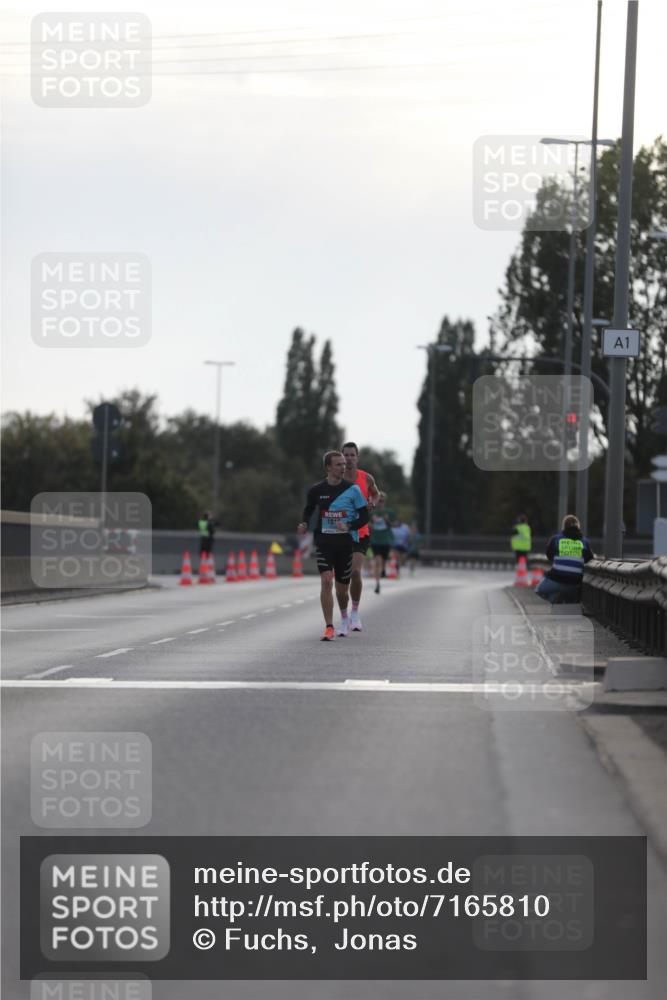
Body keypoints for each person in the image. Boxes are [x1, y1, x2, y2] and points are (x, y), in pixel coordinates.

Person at [298, 450, 369, 640]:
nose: (343, 467)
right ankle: (329, 627)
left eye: (344, 464)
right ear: (328, 467)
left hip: (345, 544)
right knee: (326, 580)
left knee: (342, 590)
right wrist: (304, 523)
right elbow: (309, 509)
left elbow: (364, 516)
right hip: (324, 542)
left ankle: (345, 616)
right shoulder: (316, 490)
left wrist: (349, 525)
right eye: (338, 464)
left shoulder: (352, 489)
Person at [341, 441, 380, 632]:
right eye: (345, 455)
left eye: (351, 455)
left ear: (357, 457)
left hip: (360, 532)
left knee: (355, 572)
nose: (348, 458)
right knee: (342, 577)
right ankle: (342, 616)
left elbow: (376, 493)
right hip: (339, 533)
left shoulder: (366, 478)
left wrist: (372, 503)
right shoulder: (335, 479)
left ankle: (354, 612)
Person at [535, 514, 594, 605]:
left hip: (556, 580)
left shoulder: (556, 539)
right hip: (575, 584)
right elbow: (589, 559)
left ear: (564, 526)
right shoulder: (584, 541)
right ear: (578, 526)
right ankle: (569, 602)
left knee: (539, 590)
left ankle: (555, 599)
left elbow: (549, 555)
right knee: (572, 598)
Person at [369, 493, 394, 594]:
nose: (380, 503)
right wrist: (371, 524)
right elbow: (366, 523)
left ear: (385, 502)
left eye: (382, 501)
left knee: (383, 561)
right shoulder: (372, 512)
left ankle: (383, 569)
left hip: (386, 540)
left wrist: (388, 521)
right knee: (377, 561)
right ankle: (377, 584)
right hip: (375, 540)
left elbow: (395, 525)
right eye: (379, 501)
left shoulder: (390, 512)